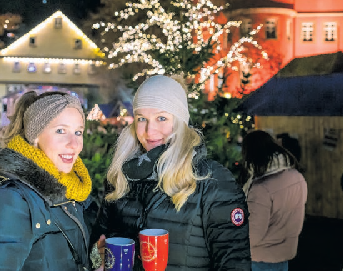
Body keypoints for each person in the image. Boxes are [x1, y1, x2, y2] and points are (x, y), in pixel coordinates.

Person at [91, 75, 251, 270]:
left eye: (161, 118)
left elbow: (234, 264)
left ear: (181, 122)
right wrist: (98, 258)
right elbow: (98, 240)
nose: (150, 131)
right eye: (142, 119)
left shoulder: (212, 180)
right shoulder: (121, 175)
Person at [0, 91, 93, 271]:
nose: (74, 144)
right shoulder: (11, 200)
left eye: (78, 132)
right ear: (35, 136)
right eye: (60, 130)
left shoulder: (71, 191)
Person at [242, 130, 307, 271]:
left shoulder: (261, 189)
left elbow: (252, 235)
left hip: (259, 259)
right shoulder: (296, 177)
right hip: (284, 255)